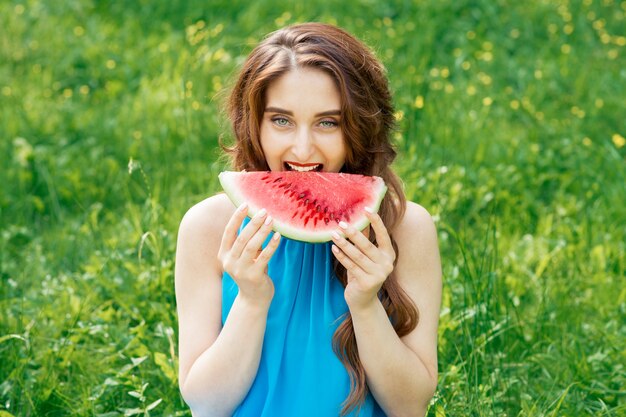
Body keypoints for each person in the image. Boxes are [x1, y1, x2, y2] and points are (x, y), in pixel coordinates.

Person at [174, 22, 442, 417]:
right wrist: (251, 300)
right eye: (281, 120)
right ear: (254, 125)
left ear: (361, 127)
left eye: (328, 122)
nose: (302, 148)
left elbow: (410, 406)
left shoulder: (406, 229)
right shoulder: (207, 228)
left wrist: (365, 304)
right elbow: (207, 404)